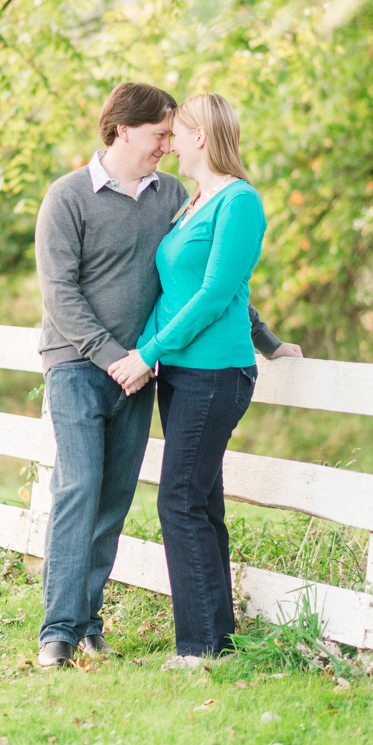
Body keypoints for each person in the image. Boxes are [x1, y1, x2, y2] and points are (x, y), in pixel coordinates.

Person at [34, 82, 300, 669]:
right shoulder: (68, 197)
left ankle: (90, 622)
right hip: (83, 363)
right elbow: (60, 295)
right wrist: (116, 358)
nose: (165, 145)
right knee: (80, 488)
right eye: (158, 134)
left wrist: (267, 340)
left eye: (171, 134)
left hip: (144, 368)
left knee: (117, 497)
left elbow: (209, 282)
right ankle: (58, 628)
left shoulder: (175, 195)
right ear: (121, 130)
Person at [110, 94, 284, 667]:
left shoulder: (239, 202)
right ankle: (218, 642)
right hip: (182, 373)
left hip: (215, 374)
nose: (169, 144)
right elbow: (202, 291)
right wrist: (273, 341)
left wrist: (147, 353)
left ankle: (201, 649)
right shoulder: (196, 203)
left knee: (178, 500)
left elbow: (215, 294)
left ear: (202, 137)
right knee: (201, 503)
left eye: (176, 134)